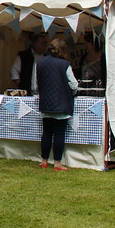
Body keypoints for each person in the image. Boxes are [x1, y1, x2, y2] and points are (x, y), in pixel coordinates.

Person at [33, 38, 78, 170]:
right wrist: (72, 93)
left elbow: (36, 84)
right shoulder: (65, 64)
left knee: (46, 133)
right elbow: (74, 84)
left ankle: (44, 161)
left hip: (45, 103)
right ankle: (57, 163)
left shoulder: (39, 63)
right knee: (59, 134)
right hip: (61, 103)